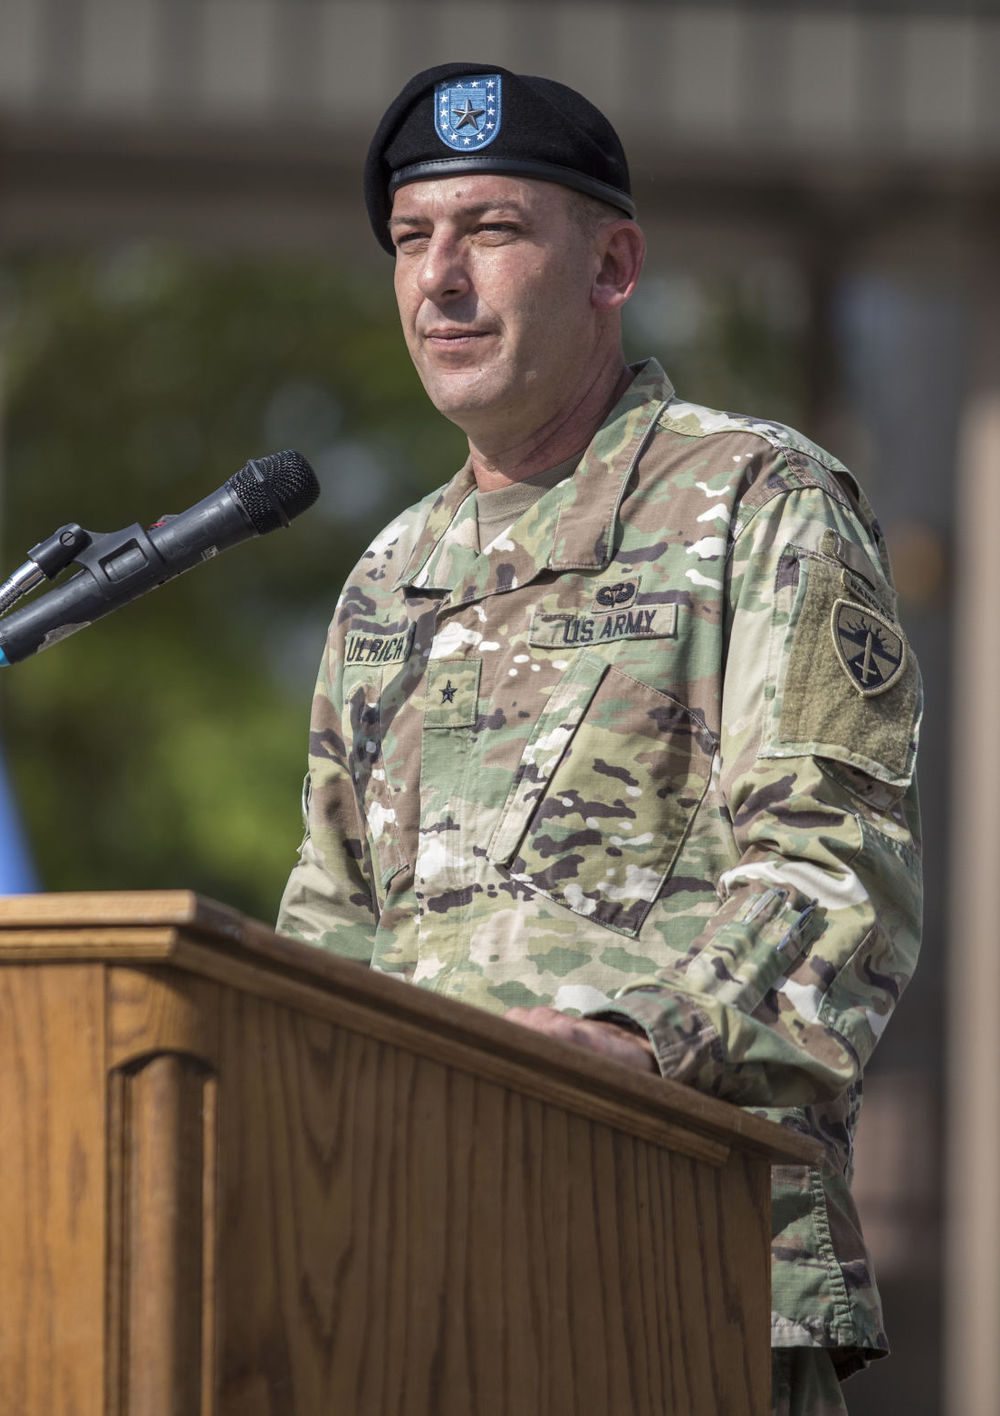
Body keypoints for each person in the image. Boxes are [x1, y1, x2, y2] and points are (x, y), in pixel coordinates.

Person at [276, 62, 922, 1415]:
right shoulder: (389, 576)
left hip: (670, 1246)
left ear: (612, 264)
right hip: (408, 1278)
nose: (440, 279)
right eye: (411, 239)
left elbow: (835, 871)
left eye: (492, 231)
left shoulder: (755, 497)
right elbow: (327, 931)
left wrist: (639, 1048)